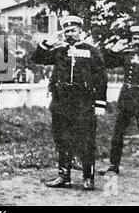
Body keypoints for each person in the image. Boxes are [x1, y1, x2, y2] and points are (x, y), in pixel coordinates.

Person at [32, 15, 107, 190]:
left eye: (73, 31)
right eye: (67, 31)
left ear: (81, 31)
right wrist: (47, 43)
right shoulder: (59, 50)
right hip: (61, 102)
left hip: (84, 103)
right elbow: (37, 58)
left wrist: (100, 103)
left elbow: (102, 78)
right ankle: (63, 176)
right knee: (61, 139)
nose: (70, 34)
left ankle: (88, 177)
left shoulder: (91, 51)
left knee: (86, 140)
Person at [99, 26, 139, 179]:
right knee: (117, 133)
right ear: (131, 40)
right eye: (135, 39)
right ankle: (113, 166)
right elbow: (107, 63)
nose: (137, 42)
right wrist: (114, 50)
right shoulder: (125, 54)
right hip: (126, 98)